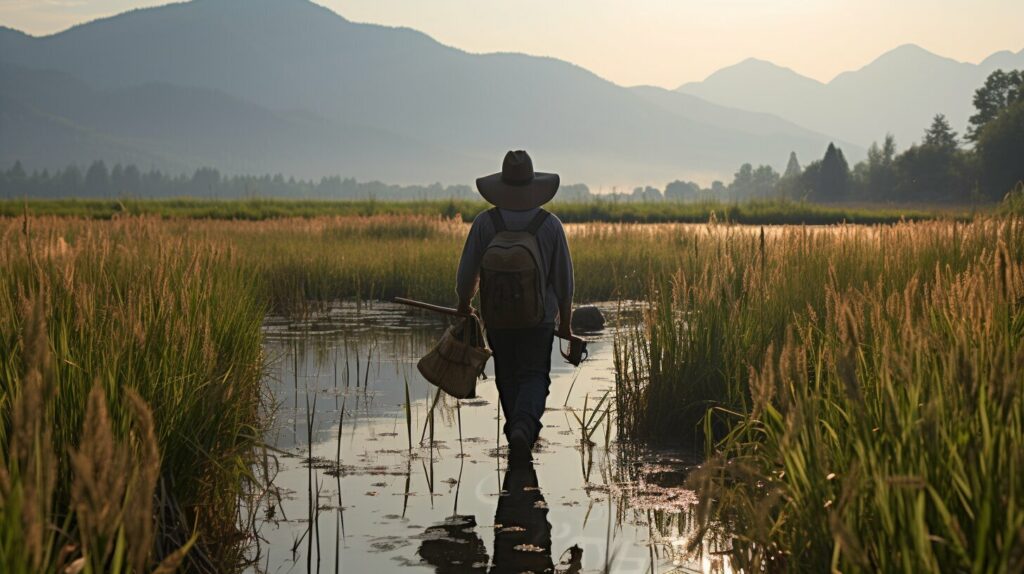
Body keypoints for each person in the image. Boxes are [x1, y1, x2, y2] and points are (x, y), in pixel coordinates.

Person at [456, 150, 574, 464]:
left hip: (497, 320)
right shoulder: (549, 225)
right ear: (533, 186)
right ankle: (523, 428)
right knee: (535, 375)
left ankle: (517, 432)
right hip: (540, 320)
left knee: (506, 375)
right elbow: (564, 281)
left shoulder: (485, 223)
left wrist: (464, 305)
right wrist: (566, 324)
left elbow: (467, 273)